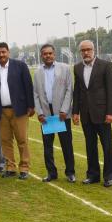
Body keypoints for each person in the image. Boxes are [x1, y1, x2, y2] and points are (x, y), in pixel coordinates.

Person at [0, 42, 35, 179]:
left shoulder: (20, 66)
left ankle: (24, 167)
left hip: (19, 110)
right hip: (1, 111)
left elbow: (28, 87)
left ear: (8, 52)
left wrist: (31, 106)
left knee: (22, 139)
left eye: (3, 52)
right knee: (6, 140)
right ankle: (10, 167)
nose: (1, 55)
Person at [73, 40, 112, 187]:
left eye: (88, 49)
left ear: (94, 50)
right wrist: (75, 112)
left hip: (103, 113)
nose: (86, 52)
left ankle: (109, 176)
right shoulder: (77, 68)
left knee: (107, 146)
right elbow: (77, 91)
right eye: (83, 50)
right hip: (86, 114)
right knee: (90, 146)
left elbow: (111, 90)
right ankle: (93, 175)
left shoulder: (105, 65)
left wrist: (110, 112)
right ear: (80, 52)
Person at [33, 44, 76, 182]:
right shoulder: (37, 72)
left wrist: (64, 110)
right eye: (45, 54)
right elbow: (35, 94)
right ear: (41, 56)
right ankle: (51, 173)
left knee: (66, 144)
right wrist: (39, 113)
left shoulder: (64, 68)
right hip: (46, 114)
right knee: (47, 146)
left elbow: (69, 90)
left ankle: (70, 172)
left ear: (54, 54)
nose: (48, 56)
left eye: (50, 53)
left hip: (62, 114)